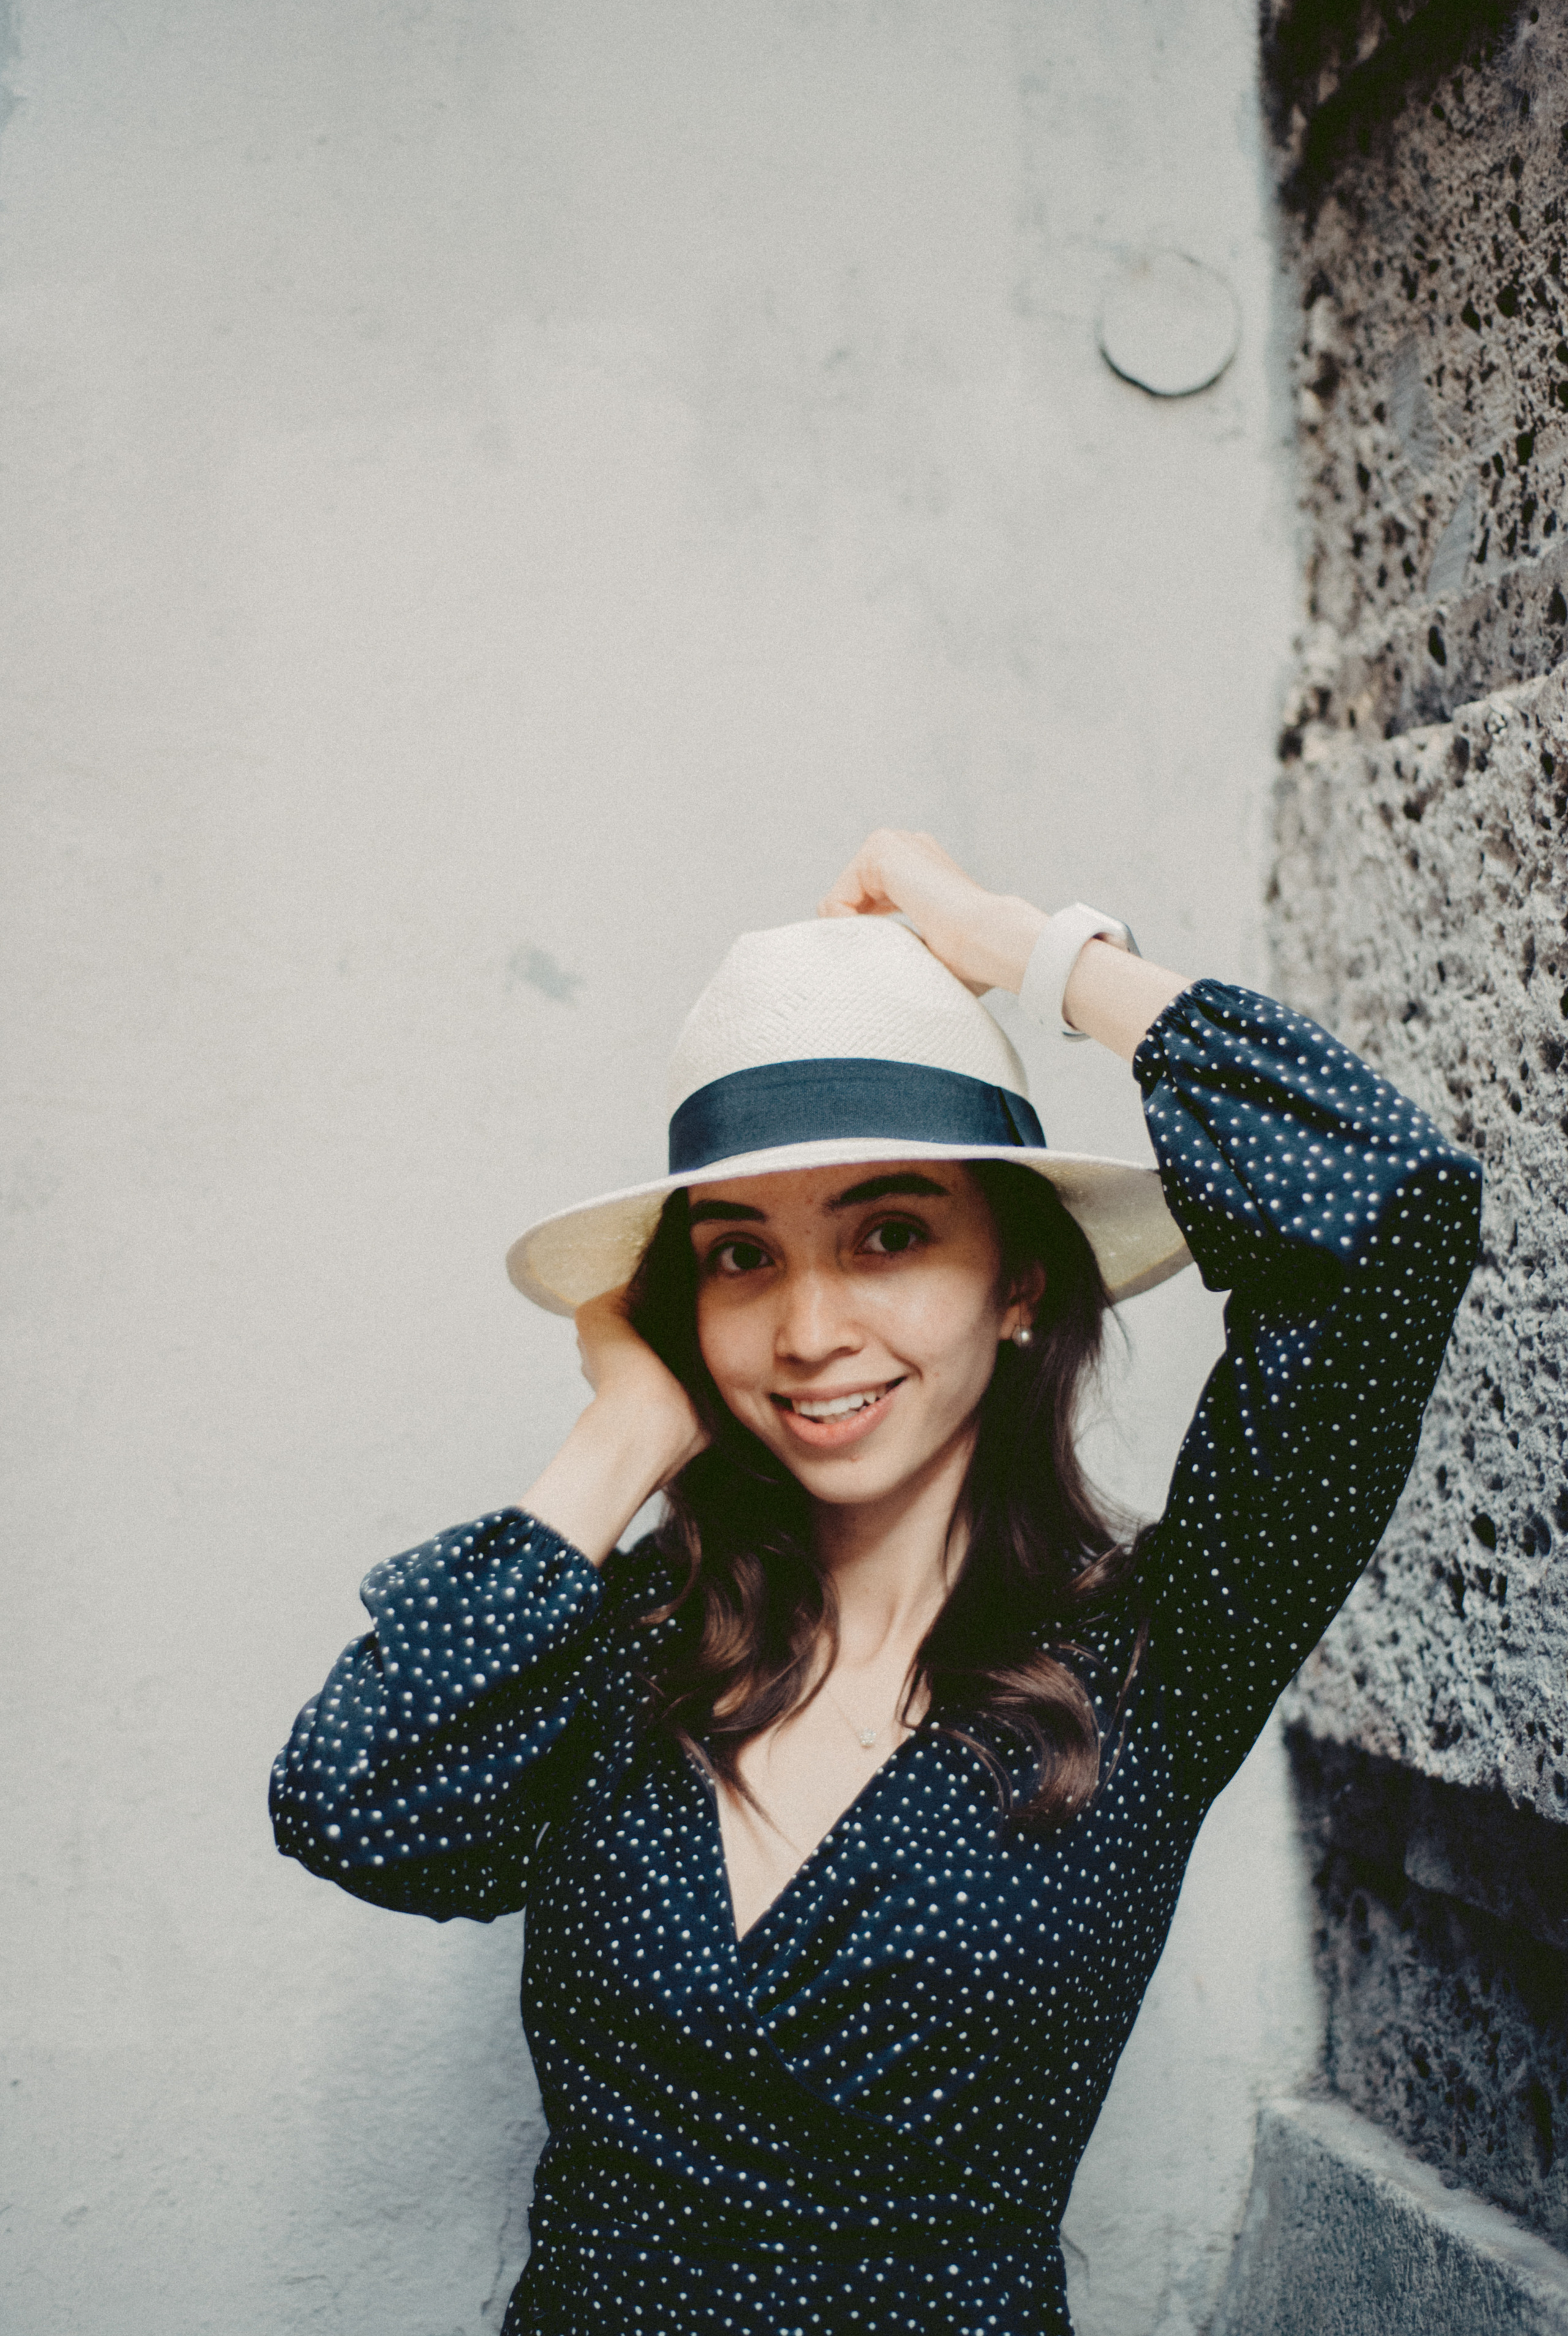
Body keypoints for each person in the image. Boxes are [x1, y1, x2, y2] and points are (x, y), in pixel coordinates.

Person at [271, 830, 1482, 2336]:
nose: (807, 1330)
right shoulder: (624, 1648)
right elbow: (355, 1807)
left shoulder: (1159, 1659)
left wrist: (1024, 946)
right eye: (739, 1259)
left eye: (889, 1234)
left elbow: (1389, 1206)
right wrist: (622, 1436)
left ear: (1019, 1281)